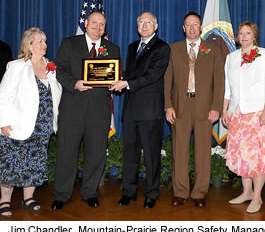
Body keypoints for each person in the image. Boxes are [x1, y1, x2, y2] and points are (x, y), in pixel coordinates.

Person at [51, 11, 120, 210]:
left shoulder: (112, 48)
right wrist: (75, 83)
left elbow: (116, 73)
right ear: (86, 23)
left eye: (102, 24)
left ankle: (90, 192)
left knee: (96, 154)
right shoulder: (69, 43)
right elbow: (59, 70)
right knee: (66, 153)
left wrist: (115, 82)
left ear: (105, 27)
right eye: (94, 23)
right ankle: (61, 195)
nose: (98, 27)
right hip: (72, 109)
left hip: (99, 110)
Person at [110, 12, 170, 209]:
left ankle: (151, 194)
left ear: (156, 26)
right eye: (141, 22)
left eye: (148, 22)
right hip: (131, 110)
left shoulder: (162, 48)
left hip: (150, 110)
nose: (144, 25)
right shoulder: (131, 47)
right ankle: (129, 192)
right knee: (130, 154)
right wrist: (111, 76)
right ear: (137, 25)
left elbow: (152, 75)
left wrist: (125, 83)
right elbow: (130, 73)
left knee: (152, 155)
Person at [164, 12, 224, 208]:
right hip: (180, 107)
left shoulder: (212, 49)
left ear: (201, 27)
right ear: (183, 28)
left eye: (195, 24)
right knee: (179, 152)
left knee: (202, 153)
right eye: (188, 24)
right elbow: (167, 81)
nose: (191, 28)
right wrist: (168, 105)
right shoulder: (173, 49)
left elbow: (219, 81)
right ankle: (180, 192)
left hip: (204, 108)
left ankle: (199, 193)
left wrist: (216, 108)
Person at [0, 28, 62, 217]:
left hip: (42, 126)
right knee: (12, 163)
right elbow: (4, 96)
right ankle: (4, 200)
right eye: (40, 41)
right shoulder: (16, 66)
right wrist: (3, 122)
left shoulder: (51, 66)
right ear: (29, 45)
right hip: (18, 125)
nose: (44, 45)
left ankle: (28, 198)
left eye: (45, 41)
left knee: (34, 163)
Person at [222, 21, 265, 213]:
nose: (244, 36)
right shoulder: (231, 57)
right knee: (242, 156)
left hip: (258, 113)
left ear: (254, 36)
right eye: (241, 33)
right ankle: (246, 192)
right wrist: (225, 110)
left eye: (248, 33)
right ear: (237, 37)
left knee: (258, 156)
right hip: (237, 113)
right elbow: (227, 88)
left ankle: (257, 196)